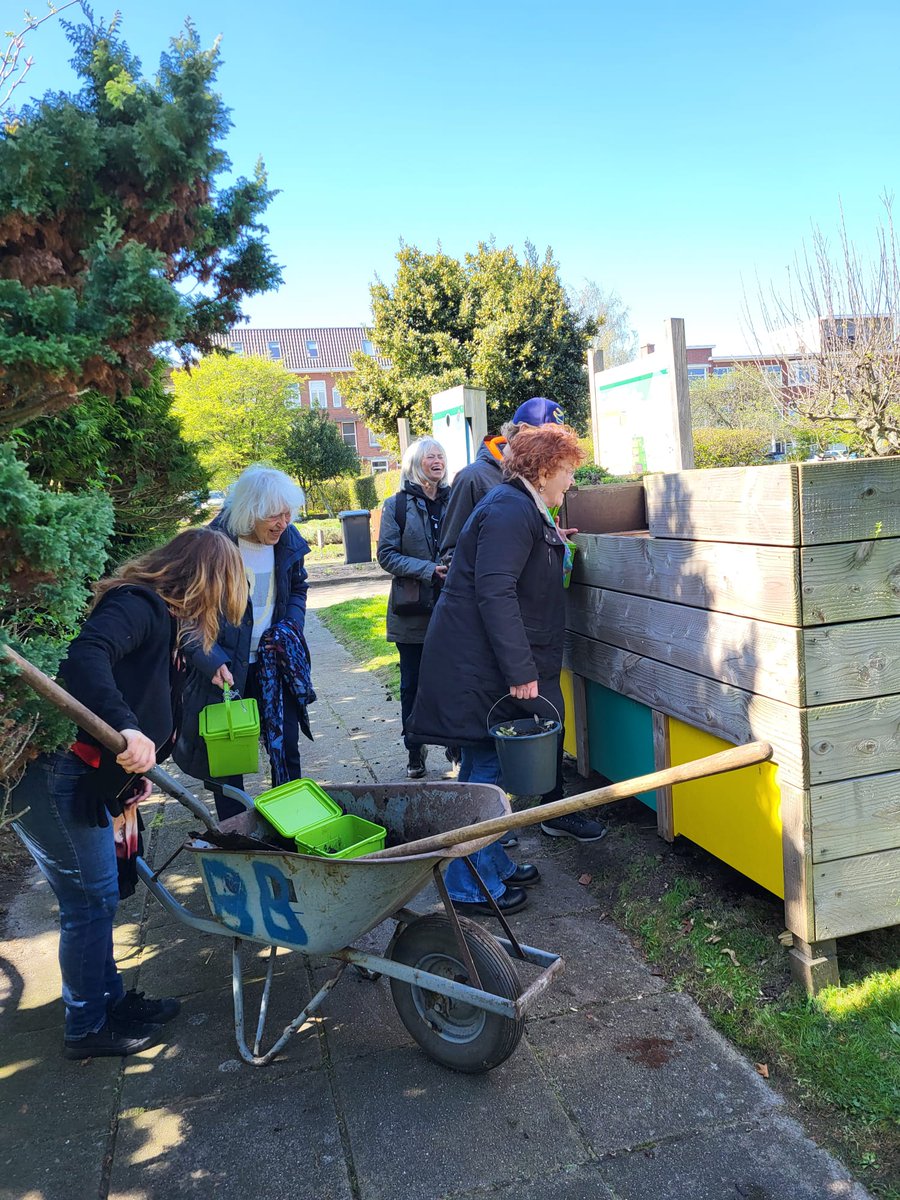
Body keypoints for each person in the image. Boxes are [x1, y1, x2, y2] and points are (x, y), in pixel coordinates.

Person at [11, 528, 248, 1059]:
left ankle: (110, 1002)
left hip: (86, 774)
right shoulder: (138, 603)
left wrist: (129, 776)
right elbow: (85, 658)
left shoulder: (165, 622)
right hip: (54, 774)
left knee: (98, 897)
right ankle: (86, 1026)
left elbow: (141, 690)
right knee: (89, 899)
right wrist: (126, 725)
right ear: (204, 580)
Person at [409, 423, 606, 917]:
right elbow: (495, 592)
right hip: (483, 668)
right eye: (567, 472)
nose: (571, 482)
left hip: (485, 663)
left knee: (488, 770)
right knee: (487, 771)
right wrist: (521, 671)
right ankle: (467, 884)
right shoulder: (509, 510)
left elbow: (514, 566)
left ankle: (490, 863)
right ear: (542, 471)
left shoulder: (521, 507)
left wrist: (553, 541)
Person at [174, 465, 314, 820]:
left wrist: (291, 625)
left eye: (288, 514)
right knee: (226, 760)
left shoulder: (288, 539)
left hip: (273, 663)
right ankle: (236, 833)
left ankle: (294, 822)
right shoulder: (211, 545)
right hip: (223, 669)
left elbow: (298, 586)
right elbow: (185, 613)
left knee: (286, 744)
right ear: (250, 511)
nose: (283, 524)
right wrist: (209, 660)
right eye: (275, 516)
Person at [376, 437, 450, 779]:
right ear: (415, 464)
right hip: (412, 612)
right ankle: (415, 749)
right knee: (412, 685)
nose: (438, 461)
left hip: (451, 608)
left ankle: (454, 744)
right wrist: (427, 570)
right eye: (430, 456)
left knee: (452, 680)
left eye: (441, 456)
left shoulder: (454, 500)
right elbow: (386, 555)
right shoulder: (396, 506)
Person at [439, 396, 566, 563]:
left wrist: (551, 536)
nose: (557, 449)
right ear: (524, 432)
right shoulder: (472, 477)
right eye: (551, 440)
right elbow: (451, 553)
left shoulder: (540, 477)